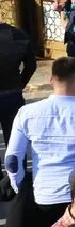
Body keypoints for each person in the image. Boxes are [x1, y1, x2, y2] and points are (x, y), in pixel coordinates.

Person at [4, 57, 75, 227]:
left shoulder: (27, 112)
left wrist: (19, 185)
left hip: (42, 194)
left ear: (51, 79)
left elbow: (12, 159)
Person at [0, 16, 37, 144]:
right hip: (12, 92)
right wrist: (20, 84)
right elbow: (31, 65)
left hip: (12, 90)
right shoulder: (18, 34)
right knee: (15, 143)